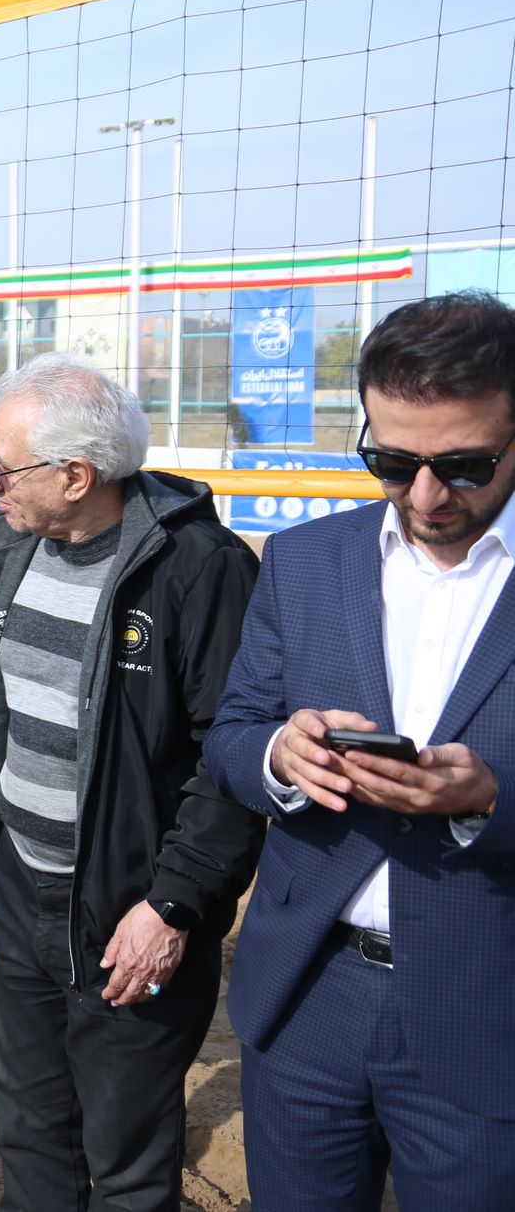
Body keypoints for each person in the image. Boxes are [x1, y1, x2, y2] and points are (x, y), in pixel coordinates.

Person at [0, 354, 263, 1211]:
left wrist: (171, 908)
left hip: (127, 905)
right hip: (21, 886)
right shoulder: (15, 539)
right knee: (28, 1122)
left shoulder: (199, 567)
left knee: (125, 1154)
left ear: (75, 475)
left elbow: (232, 762)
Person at [205, 290, 515, 1210]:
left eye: (463, 465)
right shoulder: (303, 560)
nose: (425, 496)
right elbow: (231, 734)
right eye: (391, 460)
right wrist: (280, 755)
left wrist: (489, 798)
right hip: (305, 996)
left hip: (485, 1007)